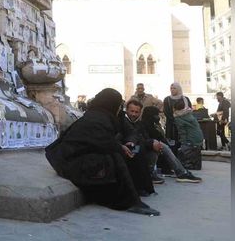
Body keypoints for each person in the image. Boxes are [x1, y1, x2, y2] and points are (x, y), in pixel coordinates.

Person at [45, 88, 160, 216]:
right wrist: (120, 148)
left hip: (74, 157)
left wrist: (124, 145)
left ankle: (138, 191)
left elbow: (107, 140)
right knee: (114, 158)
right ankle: (128, 201)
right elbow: (102, 142)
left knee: (132, 152)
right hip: (69, 162)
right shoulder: (96, 119)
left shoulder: (103, 116)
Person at [131, 104, 202, 183]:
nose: (133, 114)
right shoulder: (135, 124)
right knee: (162, 146)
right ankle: (182, 173)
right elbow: (137, 139)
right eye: (132, 111)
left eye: (136, 112)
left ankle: (176, 171)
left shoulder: (143, 124)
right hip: (134, 149)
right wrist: (152, 142)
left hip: (142, 149)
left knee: (162, 145)